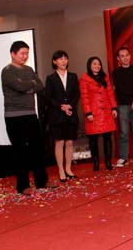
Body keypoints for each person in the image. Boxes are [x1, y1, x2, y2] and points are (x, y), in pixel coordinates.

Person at [1, 40, 54, 195]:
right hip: (13, 116)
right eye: (22, 53)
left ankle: (41, 181)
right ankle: (23, 186)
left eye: (27, 53)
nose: (25, 56)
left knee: (37, 148)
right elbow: (19, 86)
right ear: (13, 54)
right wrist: (30, 85)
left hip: (30, 114)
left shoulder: (29, 69)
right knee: (20, 151)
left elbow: (40, 86)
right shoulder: (7, 71)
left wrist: (27, 87)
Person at [44, 50, 80, 182]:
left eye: (65, 58)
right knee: (59, 142)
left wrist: (69, 106)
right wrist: (61, 106)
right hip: (56, 115)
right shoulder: (50, 78)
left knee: (70, 142)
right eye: (60, 59)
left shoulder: (73, 76)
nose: (63, 61)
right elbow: (48, 97)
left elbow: (77, 94)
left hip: (70, 113)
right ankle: (60, 170)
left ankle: (68, 169)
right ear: (54, 62)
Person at [79, 56, 117, 171]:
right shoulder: (84, 79)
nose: (97, 66)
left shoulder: (105, 77)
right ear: (89, 66)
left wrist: (114, 108)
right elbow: (84, 97)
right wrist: (88, 112)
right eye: (94, 64)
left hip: (106, 112)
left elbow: (110, 93)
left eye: (99, 64)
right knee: (93, 139)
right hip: (93, 113)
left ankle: (108, 162)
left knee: (107, 138)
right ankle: (95, 162)